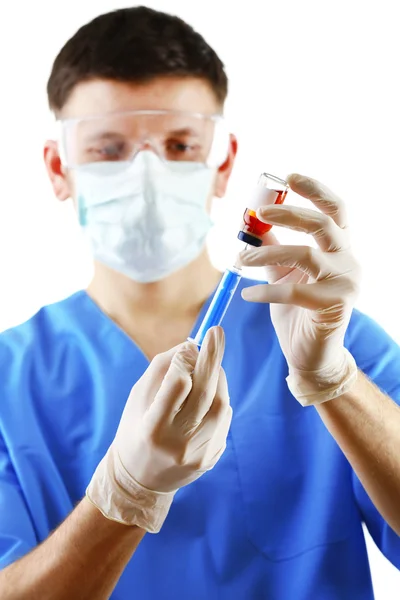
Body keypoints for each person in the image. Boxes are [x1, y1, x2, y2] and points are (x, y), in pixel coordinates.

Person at [0, 6, 400, 599]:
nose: (147, 175)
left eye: (180, 144)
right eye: (109, 148)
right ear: (60, 168)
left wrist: (335, 380)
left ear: (224, 162)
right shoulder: (11, 380)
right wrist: (124, 494)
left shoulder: (326, 333)